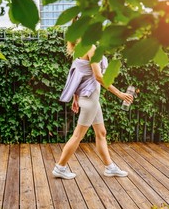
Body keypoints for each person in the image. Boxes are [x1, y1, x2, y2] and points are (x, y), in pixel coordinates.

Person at [52, 40, 133, 180]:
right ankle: (60, 167)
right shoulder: (90, 47)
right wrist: (119, 93)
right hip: (90, 100)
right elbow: (98, 76)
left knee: (101, 133)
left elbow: (78, 75)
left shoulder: (80, 48)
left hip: (89, 99)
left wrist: (76, 98)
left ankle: (109, 167)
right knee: (78, 136)